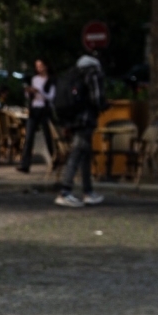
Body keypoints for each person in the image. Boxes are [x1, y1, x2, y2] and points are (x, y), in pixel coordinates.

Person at [54, 53, 107, 209]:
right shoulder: (93, 72)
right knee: (78, 152)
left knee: (84, 154)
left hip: (72, 119)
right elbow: (97, 98)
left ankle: (88, 191)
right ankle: (65, 191)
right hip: (86, 119)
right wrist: (103, 106)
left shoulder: (74, 73)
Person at [17, 57, 52, 174]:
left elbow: (51, 96)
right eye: (37, 67)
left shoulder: (50, 80)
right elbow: (29, 95)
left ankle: (54, 159)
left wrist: (39, 92)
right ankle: (25, 163)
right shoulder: (34, 79)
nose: (39, 69)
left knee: (49, 136)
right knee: (29, 136)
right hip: (34, 108)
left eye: (41, 66)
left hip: (45, 109)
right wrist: (29, 92)